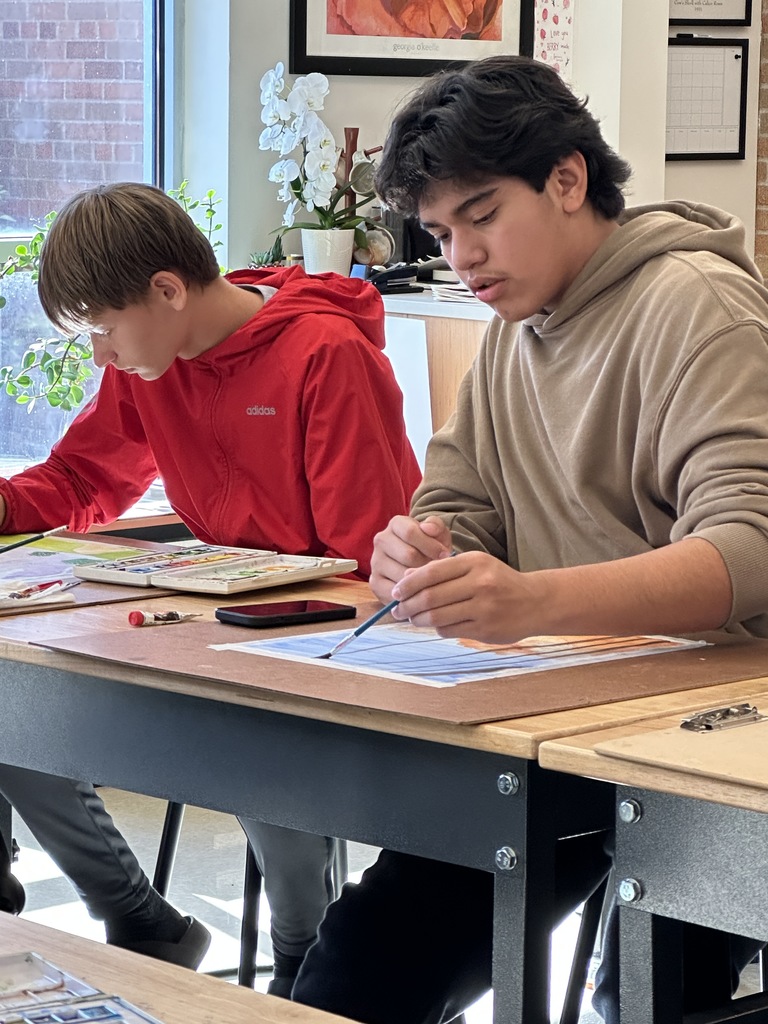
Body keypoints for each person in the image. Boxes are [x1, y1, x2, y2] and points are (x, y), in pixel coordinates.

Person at [291, 54, 768, 1023]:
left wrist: (535, 600)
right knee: (357, 972)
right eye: (438, 231)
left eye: (481, 214)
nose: (462, 257)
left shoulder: (696, 306)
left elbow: (750, 551)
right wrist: (418, 548)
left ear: (567, 179)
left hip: (704, 740)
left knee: (646, 995)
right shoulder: (516, 326)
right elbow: (459, 499)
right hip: (555, 721)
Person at [0, 182, 421, 993]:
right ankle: (138, 915)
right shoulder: (149, 363)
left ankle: (303, 971)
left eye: (103, 330)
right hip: (201, 631)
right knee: (13, 701)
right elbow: (86, 475)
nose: (100, 355)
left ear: (166, 290)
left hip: (306, 650)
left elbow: (371, 562)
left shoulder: (325, 354)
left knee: (264, 754)